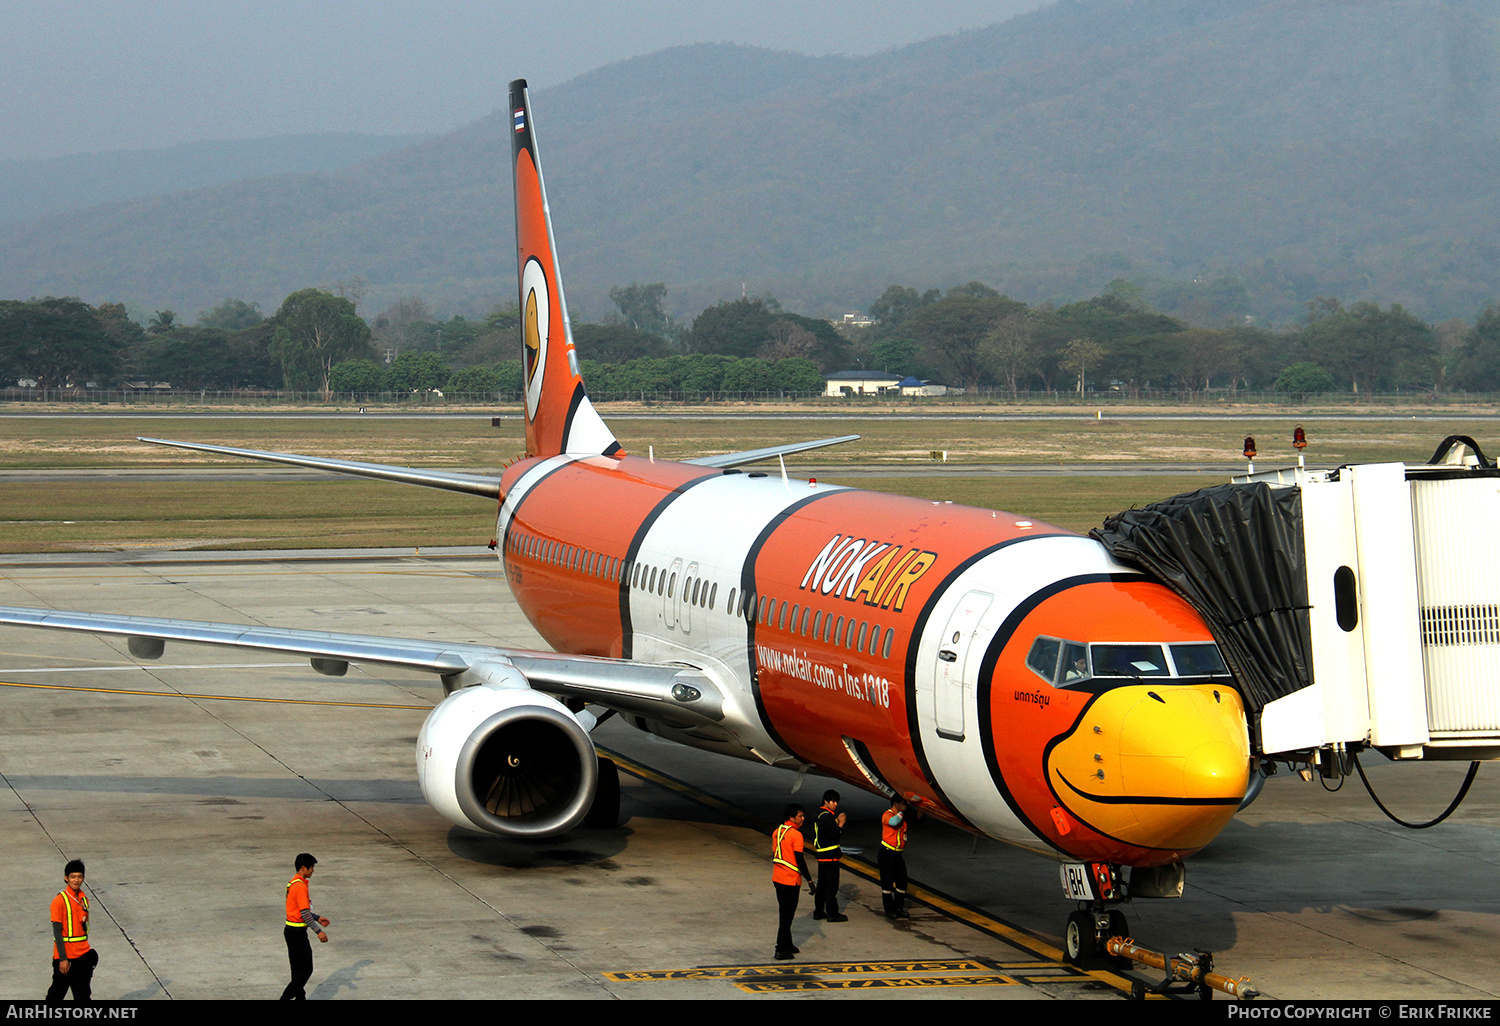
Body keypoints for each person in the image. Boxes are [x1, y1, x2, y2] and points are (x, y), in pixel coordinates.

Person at [281, 853, 330, 1000]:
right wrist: (318, 931)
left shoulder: (292, 883)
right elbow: (304, 913)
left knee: (296, 970)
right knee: (306, 970)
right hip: (297, 933)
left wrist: (318, 917)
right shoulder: (300, 886)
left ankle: (300, 998)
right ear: (304, 868)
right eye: (311, 868)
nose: (313, 871)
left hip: (290, 930)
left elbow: (298, 909)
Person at [47, 859, 97, 1003]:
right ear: (66, 878)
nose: (77, 880)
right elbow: (57, 932)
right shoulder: (59, 901)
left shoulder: (84, 899)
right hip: (66, 958)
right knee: (56, 995)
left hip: (83, 956)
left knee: (83, 996)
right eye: (73, 877)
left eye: (80, 877)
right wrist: (63, 959)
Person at [772, 804, 815, 960]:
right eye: (800, 816)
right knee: (787, 916)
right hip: (790, 880)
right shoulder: (796, 835)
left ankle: (788, 943)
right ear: (791, 818)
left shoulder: (777, 832)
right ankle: (780, 948)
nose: (803, 818)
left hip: (777, 878)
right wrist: (809, 879)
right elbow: (800, 860)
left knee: (785, 911)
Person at [812, 789, 848, 922]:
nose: (835, 804)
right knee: (831, 886)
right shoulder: (827, 817)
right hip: (830, 856)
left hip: (822, 855)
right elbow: (834, 834)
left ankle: (819, 911)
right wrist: (841, 824)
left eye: (836, 801)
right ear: (825, 801)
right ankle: (833, 913)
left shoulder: (820, 815)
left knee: (822, 884)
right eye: (832, 801)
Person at [879, 797, 911, 919]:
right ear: (895, 804)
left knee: (902, 882)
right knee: (887, 884)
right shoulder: (888, 815)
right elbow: (893, 822)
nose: (905, 806)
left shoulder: (902, 815)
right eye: (903, 804)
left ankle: (899, 907)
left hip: (897, 854)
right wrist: (902, 812)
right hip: (887, 853)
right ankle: (889, 910)